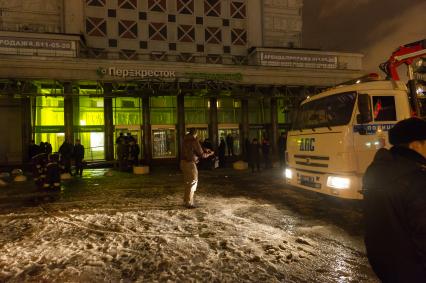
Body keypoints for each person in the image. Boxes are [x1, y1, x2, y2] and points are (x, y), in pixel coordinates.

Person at [363, 117, 426, 282]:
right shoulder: (416, 179)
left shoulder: (376, 170)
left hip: (384, 264)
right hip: (415, 271)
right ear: (415, 145)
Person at [180, 128, 214, 209]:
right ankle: (189, 202)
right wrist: (210, 153)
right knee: (193, 182)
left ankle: (186, 200)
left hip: (183, 163)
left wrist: (204, 149)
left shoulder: (185, 140)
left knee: (188, 182)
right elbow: (201, 154)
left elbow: (192, 149)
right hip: (190, 164)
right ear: (195, 134)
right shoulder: (194, 140)